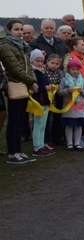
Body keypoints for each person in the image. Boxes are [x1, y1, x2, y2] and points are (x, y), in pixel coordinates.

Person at [0, 20, 38, 164]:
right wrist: (31, 81)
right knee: (14, 121)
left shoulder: (22, 46)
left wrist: (33, 80)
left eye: (21, 29)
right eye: (16, 29)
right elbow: (15, 68)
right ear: (9, 31)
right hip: (14, 84)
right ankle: (12, 153)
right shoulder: (5, 47)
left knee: (20, 118)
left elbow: (29, 65)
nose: (20, 32)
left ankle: (19, 151)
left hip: (24, 83)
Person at [58, 57, 84, 151]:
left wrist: (82, 91)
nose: (75, 71)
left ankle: (77, 143)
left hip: (80, 107)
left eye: (77, 69)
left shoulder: (83, 80)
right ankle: (69, 143)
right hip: (69, 107)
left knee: (79, 125)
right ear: (68, 69)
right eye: (73, 69)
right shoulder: (64, 80)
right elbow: (60, 92)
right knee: (69, 125)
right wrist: (67, 90)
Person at [29, 50, 54, 157]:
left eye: (41, 61)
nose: (39, 63)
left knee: (43, 125)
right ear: (32, 61)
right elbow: (35, 88)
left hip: (45, 101)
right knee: (38, 125)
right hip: (38, 101)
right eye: (37, 61)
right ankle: (37, 146)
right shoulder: (33, 73)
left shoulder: (43, 71)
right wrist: (46, 88)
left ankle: (42, 143)